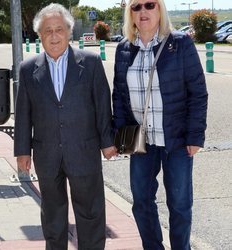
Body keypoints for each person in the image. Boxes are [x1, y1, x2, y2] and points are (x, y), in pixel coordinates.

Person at [14, 3, 116, 250]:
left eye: (59, 29)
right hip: (47, 153)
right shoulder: (28, 69)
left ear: (70, 32)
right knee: (52, 215)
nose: (54, 36)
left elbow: (102, 104)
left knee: (91, 213)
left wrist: (108, 142)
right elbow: (23, 113)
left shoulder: (90, 63)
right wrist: (22, 151)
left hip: (84, 151)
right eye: (47, 31)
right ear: (39, 35)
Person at [112, 0, 208, 249]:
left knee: (179, 204)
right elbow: (119, 96)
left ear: (160, 9)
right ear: (130, 14)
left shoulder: (180, 44)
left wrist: (195, 136)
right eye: (136, 7)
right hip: (142, 142)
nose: (143, 11)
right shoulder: (124, 49)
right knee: (141, 202)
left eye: (149, 5)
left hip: (176, 140)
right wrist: (120, 135)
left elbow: (198, 93)